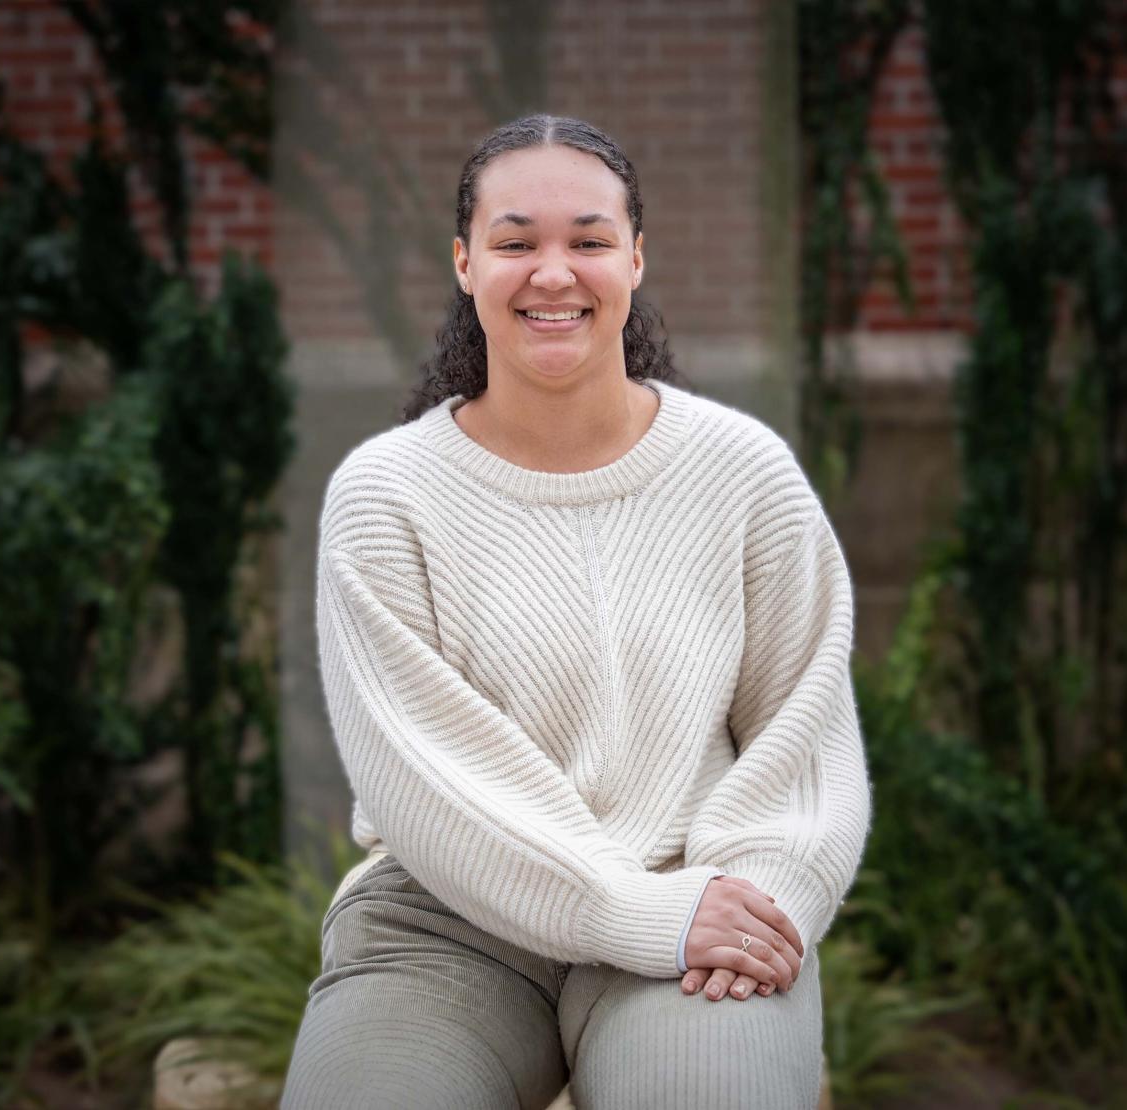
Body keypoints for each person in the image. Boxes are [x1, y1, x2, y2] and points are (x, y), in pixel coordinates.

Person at [281, 114, 871, 1110]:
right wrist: (627, 910)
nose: (552, 271)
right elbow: (427, 775)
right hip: (448, 918)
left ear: (634, 260)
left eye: (587, 240)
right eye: (516, 242)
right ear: (465, 263)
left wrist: (766, 901)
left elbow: (802, 732)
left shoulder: (741, 473)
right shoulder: (385, 494)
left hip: (699, 900)